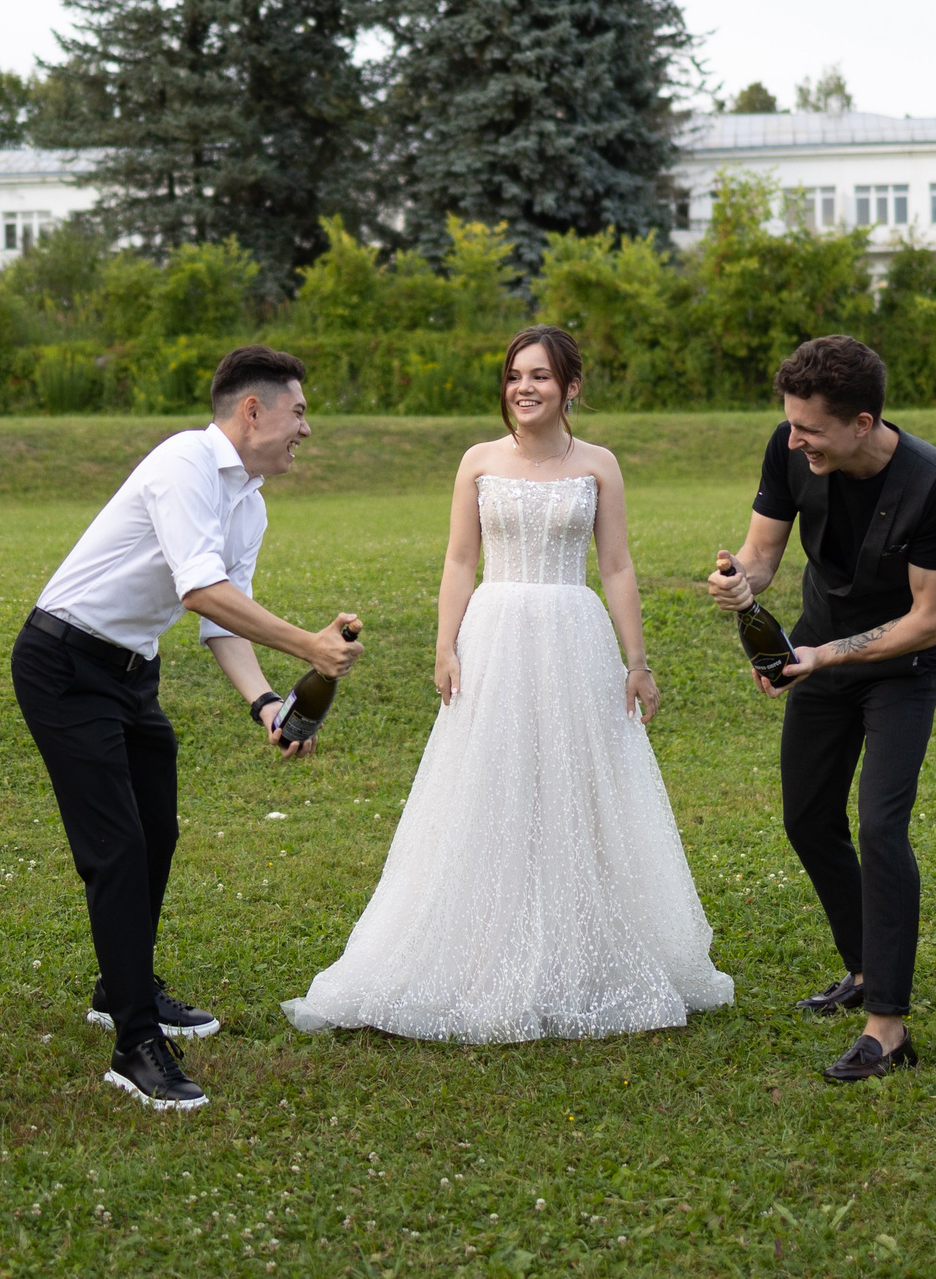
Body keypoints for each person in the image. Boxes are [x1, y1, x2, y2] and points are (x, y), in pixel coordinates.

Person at [284, 327, 733, 1042]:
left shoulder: (600, 465)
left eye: (542, 377)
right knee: (489, 786)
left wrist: (637, 660)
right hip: (493, 634)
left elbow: (615, 565)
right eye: (515, 376)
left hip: (574, 636)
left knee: (575, 788)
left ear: (571, 387)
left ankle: (579, 947)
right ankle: (480, 945)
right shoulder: (478, 461)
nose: (524, 388)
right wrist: (445, 645)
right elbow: (461, 560)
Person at [14, 345, 365, 1112]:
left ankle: (120, 983)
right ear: (253, 410)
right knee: (118, 847)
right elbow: (201, 591)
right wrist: (307, 644)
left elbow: (219, 618)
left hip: (131, 671)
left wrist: (267, 703)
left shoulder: (252, 499)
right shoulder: (185, 464)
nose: (307, 427)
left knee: (158, 831)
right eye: (298, 411)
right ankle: (135, 1044)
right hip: (65, 663)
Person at [705, 335, 936, 1082]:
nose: (796, 440)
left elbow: (931, 617)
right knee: (807, 818)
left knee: (882, 825)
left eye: (811, 429)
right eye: (791, 424)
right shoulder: (790, 447)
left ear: (862, 421)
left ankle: (887, 1025)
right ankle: (861, 966)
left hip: (901, 667)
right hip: (817, 658)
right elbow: (762, 554)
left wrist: (823, 653)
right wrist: (742, 585)